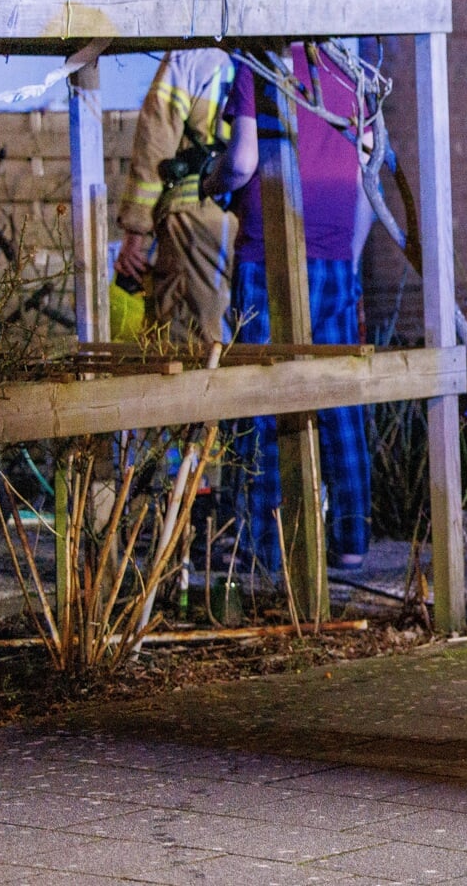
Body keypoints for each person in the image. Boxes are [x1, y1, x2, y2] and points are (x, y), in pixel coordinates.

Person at [213, 44, 375, 575]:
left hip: (267, 256)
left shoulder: (257, 65)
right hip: (333, 256)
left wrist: (209, 181)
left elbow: (241, 162)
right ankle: (351, 538)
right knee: (338, 395)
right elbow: (368, 166)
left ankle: (262, 543)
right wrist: (347, 254)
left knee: (259, 392)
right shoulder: (348, 74)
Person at [114, 48, 236, 344]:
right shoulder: (259, 53)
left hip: (192, 218)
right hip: (244, 216)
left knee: (189, 340)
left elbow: (155, 142)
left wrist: (135, 234)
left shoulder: (190, 55)